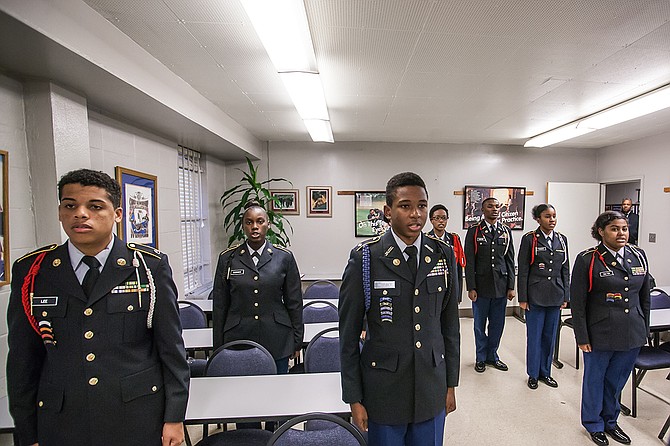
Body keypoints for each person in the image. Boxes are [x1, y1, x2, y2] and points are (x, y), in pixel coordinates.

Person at [7, 168, 189, 446]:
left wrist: (174, 417)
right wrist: (27, 430)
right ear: (59, 212)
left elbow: (170, 348)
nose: (80, 214)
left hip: (136, 414)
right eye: (70, 206)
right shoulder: (34, 271)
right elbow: (22, 359)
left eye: (94, 206)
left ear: (117, 214)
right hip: (62, 418)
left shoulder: (148, 267)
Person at [339, 172, 460, 446]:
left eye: (422, 205)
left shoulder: (442, 253)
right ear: (388, 211)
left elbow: (450, 326)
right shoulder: (366, 258)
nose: (416, 214)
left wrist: (451, 384)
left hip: (431, 386)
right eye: (405, 206)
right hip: (383, 392)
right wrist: (354, 398)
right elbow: (347, 337)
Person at [571, 210, 650, 446]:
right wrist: (581, 335)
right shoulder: (588, 259)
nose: (621, 233)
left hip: (631, 331)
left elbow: (644, 297)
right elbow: (578, 302)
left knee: (616, 381)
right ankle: (593, 424)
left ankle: (611, 422)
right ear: (601, 232)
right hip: (600, 332)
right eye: (614, 229)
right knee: (595, 380)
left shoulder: (639, 256)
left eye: (624, 228)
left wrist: (644, 329)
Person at [212, 201, 303, 375]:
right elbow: (220, 306)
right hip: (238, 337)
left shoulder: (283, 257)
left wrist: (296, 341)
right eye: (249, 222)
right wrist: (218, 344)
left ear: (268, 225)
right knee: (241, 392)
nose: (255, 227)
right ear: (243, 226)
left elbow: (295, 303)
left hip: (277, 337)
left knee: (277, 393)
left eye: (260, 221)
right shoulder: (228, 258)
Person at [517, 204, 570, 390]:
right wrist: (523, 298)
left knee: (550, 336)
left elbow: (565, 269)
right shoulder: (530, 239)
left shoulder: (562, 240)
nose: (552, 220)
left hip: (555, 295)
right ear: (538, 219)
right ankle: (533, 374)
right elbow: (523, 270)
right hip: (535, 296)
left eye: (554, 216)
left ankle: (545, 372)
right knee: (535, 337)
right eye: (547, 216)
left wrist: (566, 295)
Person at [465, 197, 516, 373]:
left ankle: (492, 356)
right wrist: (471, 287)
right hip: (481, 286)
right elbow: (469, 261)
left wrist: (511, 286)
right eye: (490, 206)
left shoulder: (505, 231)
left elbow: (510, 261)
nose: (494, 209)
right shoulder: (474, 231)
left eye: (496, 206)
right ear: (482, 209)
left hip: (501, 286)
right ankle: (480, 357)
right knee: (479, 325)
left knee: (497, 324)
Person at [427, 204, 465, 302]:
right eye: (437, 218)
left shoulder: (454, 239)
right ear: (431, 220)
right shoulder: (426, 239)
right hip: (433, 288)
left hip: (450, 285)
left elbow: (458, 268)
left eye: (444, 218)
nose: (441, 221)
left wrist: (458, 294)